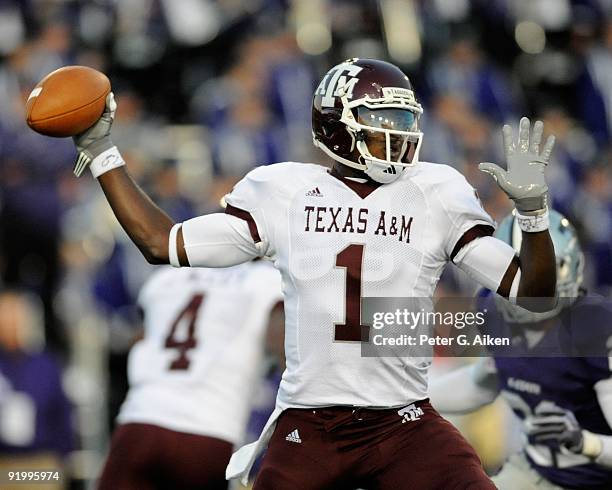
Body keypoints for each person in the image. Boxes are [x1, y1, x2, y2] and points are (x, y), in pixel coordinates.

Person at [67, 58, 557, 489]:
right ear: (338, 123)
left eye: (405, 117)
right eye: (384, 117)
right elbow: (162, 243)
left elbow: (533, 292)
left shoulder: (436, 190)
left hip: (404, 421)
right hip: (312, 424)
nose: (400, 131)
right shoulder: (283, 190)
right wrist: (103, 150)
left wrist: (533, 214)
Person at [429, 210, 612, 490]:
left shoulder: (595, 328)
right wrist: (407, 397)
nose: (530, 289)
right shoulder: (492, 312)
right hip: (536, 470)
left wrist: (586, 443)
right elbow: (484, 382)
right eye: (517, 274)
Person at [97, 260, 283, 490]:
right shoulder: (266, 280)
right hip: (209, 430)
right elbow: (284, 345)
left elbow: (143, 337)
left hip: (141, 420)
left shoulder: (166, 277)